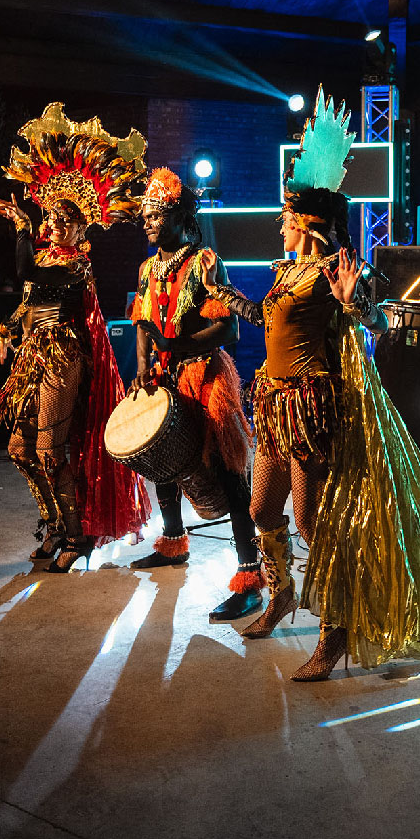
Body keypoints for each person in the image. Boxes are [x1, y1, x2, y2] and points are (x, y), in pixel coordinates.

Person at [201, 88, 420, 681]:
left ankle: (334, 630)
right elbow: (268, 320)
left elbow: (377, 322)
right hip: (274, 404)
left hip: (311, 410)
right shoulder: (289, 271)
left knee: (313, 524)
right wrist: (221, 293)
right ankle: (282, 596)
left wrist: (355, 304)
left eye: (285, 217)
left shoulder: (338, 269)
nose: (279, 224)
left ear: (307, 221)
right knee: (261, 508)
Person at [0, 102, 152, 572]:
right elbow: (28, 301)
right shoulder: (47, 260)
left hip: (63, 356)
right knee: (20, 451)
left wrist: (21, 230)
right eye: (52, 218)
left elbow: (29, 273)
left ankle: (78, 537)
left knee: (48, 450)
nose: (56, 224)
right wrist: (6, 330)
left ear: (82, 226)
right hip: (33, 357)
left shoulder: (76, 265)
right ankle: (54, 524)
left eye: (66, 220)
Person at [128, 167, 265, 623]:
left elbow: (229, 328)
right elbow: (142, 324)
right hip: (165, 375)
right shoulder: (148, 269)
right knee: (160, 456)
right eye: (145, 216)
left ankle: (250, 577)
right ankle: (173, 542)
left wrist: (176, 345)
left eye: (155, 215)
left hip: (204, 376)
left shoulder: (204, 261)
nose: (147, 222)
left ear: (179, 217)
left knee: (228, 471)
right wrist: (143, 367)